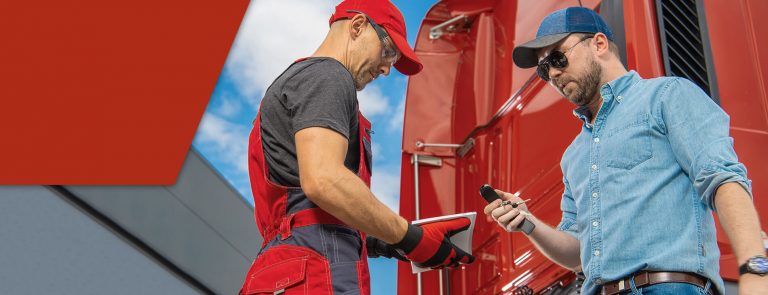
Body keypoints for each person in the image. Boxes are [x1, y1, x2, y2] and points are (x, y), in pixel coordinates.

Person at [483, 7, 767, 295]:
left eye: (558, 58)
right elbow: (577, 252)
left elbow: (723, 180)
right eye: (544, 69)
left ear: (599, 44)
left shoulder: (666, 96)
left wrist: (755, 268)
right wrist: (529, 224)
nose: (554, 73)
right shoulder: (574, 156)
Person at [240, 1, 474, 294]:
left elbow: (307, 210)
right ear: (358, 26)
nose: (387, 69)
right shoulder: (327, 75)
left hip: (289, 267)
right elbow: (324, 181)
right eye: (388, 52)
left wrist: (385, 242)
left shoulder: (303, 81)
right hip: (315, 272)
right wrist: (410, 238)